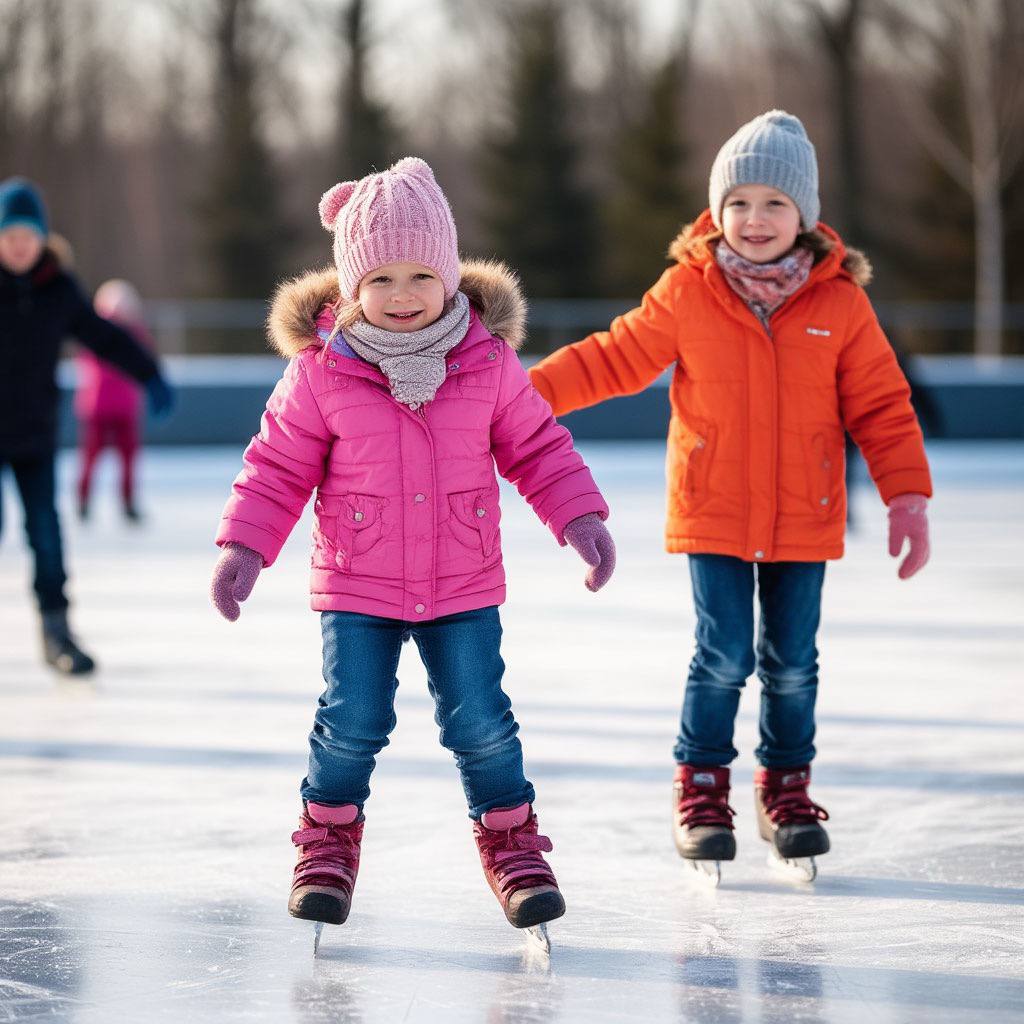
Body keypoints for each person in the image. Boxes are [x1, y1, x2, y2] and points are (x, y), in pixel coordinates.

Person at [209, 157, 615, 934]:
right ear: (351, 287)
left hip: (463, 583)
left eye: (421, 275)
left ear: (451, 279)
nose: (402, 295)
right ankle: (327, 840)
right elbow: (275, 468)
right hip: (358, 585)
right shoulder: (320, 373)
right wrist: (245, 547)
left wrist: (579, 518)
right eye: (382, 279)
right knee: (352, 718)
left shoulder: (488, 364)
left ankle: (512, 845)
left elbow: (537, 448)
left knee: (481, 720)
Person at [528, 111, 932, 874]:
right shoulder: (688, 290)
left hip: (803, 516)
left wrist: (907, 497)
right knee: (721, 655)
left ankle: (785, 790)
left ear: (805, 217)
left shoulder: (840, 303)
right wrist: (523, 395)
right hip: (712, 508)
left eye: (774, 204)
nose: (753, 220)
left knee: (792, 662)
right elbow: (613, 358)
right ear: (717, 210)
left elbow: (882, 404)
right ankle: (702, 789)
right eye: (738, 202)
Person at [0, 178, 174, 675]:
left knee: (47, 534)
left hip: (33, 433)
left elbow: (104, 337)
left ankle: (57, 631)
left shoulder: (58, 288)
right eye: (8, 235)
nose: (18, 245)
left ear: (41, 239)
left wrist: (150, 373)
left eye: (26, 236)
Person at [75, 280, 156, 522]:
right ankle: (85, 501)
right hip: (100, 408)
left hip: (121, 408)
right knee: (93, 457)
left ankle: (124, 502)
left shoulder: (135, 334)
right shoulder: (100, 333)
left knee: (125, 459)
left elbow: (146, 364)